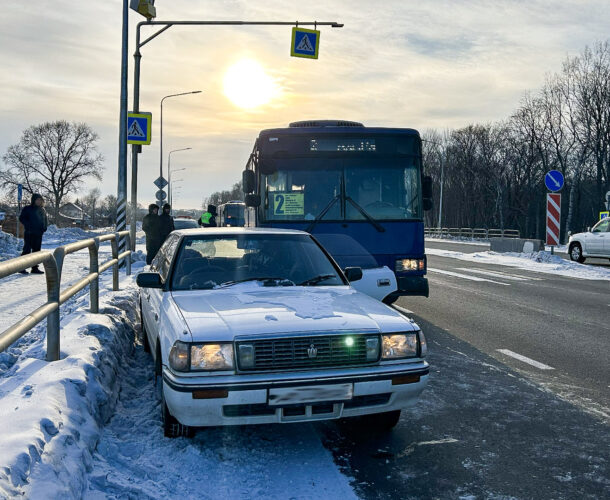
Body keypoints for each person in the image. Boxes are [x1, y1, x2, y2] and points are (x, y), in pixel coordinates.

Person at [18, 193, 48, 274]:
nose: (39, 201)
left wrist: (44, 228)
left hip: (38, 234)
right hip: (29, 233)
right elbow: (21, 218)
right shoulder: (27, 208)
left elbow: (45, 220)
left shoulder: (42, 210)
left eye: (40, 200)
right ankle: (21, 267)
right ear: (33, 200)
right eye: (37, 199)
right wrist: (28, 225)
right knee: (27, 250)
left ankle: (34, 268)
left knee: (37, 251)